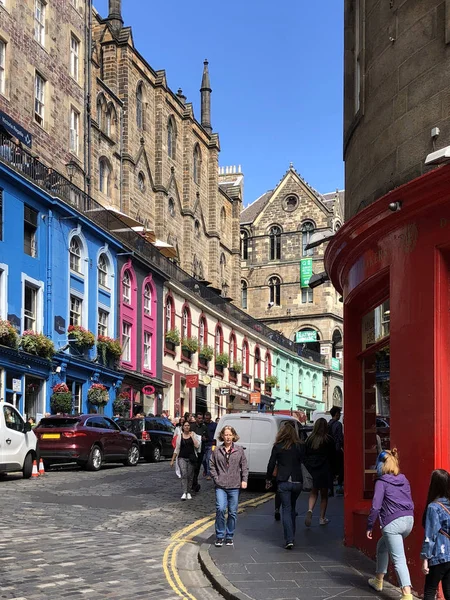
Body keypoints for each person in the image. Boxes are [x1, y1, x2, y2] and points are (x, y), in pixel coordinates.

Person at [366, 449, 414, 600]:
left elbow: (375, 507)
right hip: (408, 521)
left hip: (392, 523)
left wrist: (369, 525)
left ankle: (407, 594)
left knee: (399, 559)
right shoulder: (404, 479)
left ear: (380, 465)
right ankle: (378, 580)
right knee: (382, 546)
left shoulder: (381, 482)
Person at [266, 423, 305, 549]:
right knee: (292, 508)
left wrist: (268, 479)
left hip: (284, 482)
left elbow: (271, 464)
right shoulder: (299, 446)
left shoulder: (277, 446)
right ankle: (291, 536)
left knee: (286, 510)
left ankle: (289, 539)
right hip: (297, 482)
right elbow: (303, 461)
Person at [210, 425, 248, 547]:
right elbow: (211, 465)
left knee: (232, 512)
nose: (227, 437)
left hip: (234, 486)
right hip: (220, 486)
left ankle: (229, 536)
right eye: (225, 435)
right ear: (222, 436)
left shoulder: (239, 450)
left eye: (230, 435)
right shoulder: (217, 450)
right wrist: (216, 478)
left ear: (233, 436)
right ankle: (220, 536)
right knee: (220, 509)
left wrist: (244, 480)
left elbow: (244, 466)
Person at [421, 469, 450, 600]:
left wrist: (425, 559)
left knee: (430, 590)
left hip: (439, 554)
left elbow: (430, 536)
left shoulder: (433, 507)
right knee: (448, 591)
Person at [304, 418, 335, 526]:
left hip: (313, 470)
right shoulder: (328, 440)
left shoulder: (309, 440)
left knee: (313, 492)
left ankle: (310, 510)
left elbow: (305, 455)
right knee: (324, 495)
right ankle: (322, 518)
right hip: (325, 470)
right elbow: (333, 456)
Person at [170, 421, 200, 500]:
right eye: (185, 425)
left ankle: (189, 492)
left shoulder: (193, 434)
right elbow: (177, 449)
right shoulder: (180, 436)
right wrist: (172, 460)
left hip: (191, 458)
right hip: (181, 457)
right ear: (183, 427)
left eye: (188, 425)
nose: (187, 427)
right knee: (184, 474)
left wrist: (192, 437)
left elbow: (197, 445)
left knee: (190, 475)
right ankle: (184, 492)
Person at [328, 406, 344, 495]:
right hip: (337, 449)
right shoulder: (338, 424)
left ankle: (330, 489)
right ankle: (339, 486)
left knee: (330, 470)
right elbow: (339, 438)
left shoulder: (328, 423)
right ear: (336, 414)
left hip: (329, 450)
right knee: (341, 468)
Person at [191, 412, 208, 492]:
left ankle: (195, 482)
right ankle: (193, 483)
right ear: (196, 418)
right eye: (199, 418)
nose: (201, 420)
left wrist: (204, 438)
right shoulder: (192, 426)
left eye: (202, 418)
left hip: (201, 450)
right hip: (192, 450)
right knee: (192, 467)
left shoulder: (204, 427)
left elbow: (207, 437)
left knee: (197, 467)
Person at [202, 412, 217, 480]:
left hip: (211, 444)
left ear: (210, 418)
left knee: (208, 459)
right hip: (203, 444)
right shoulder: (203, 424)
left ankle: (209, 474)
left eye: (208, 419)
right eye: (205, 419)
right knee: (203, 460)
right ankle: (205, 470)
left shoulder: (214, 425)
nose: (206, 420)